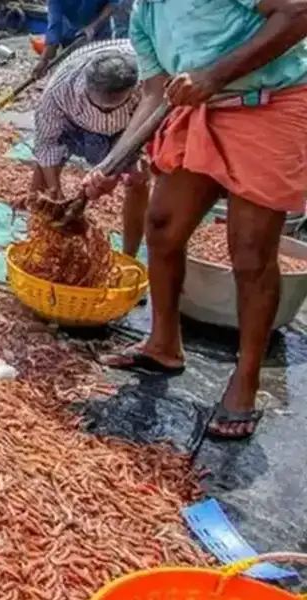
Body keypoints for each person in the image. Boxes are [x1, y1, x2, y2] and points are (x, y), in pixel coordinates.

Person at [81, 0, 307, 440]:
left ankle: (246, 380)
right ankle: (163, 344)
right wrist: (110, 166)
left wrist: (213, 75)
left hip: (268, 102)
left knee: (250, 252)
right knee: (162, 226)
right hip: (200, 109)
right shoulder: (146, 13)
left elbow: (298, 14)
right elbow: (154, 93)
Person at [32, 39, 148, 258]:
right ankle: (37, 241)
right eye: (100, 106)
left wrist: (115, 168)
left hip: (127, 129)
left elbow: (151, 127)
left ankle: (128, 256)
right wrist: (55, 191)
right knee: (43, 171)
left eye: (112, 106)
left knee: (138, 179)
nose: (104, 110)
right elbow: (47, 143)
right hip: (75, 123)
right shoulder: (60, 90)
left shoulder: (148, 79)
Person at [32, 0, 122, 78]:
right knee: (72, 72)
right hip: (71, 34)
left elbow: (113, 3)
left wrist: (94, 26)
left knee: (102, 72)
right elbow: (54, 24)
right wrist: (44, 59)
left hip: (100, 31)